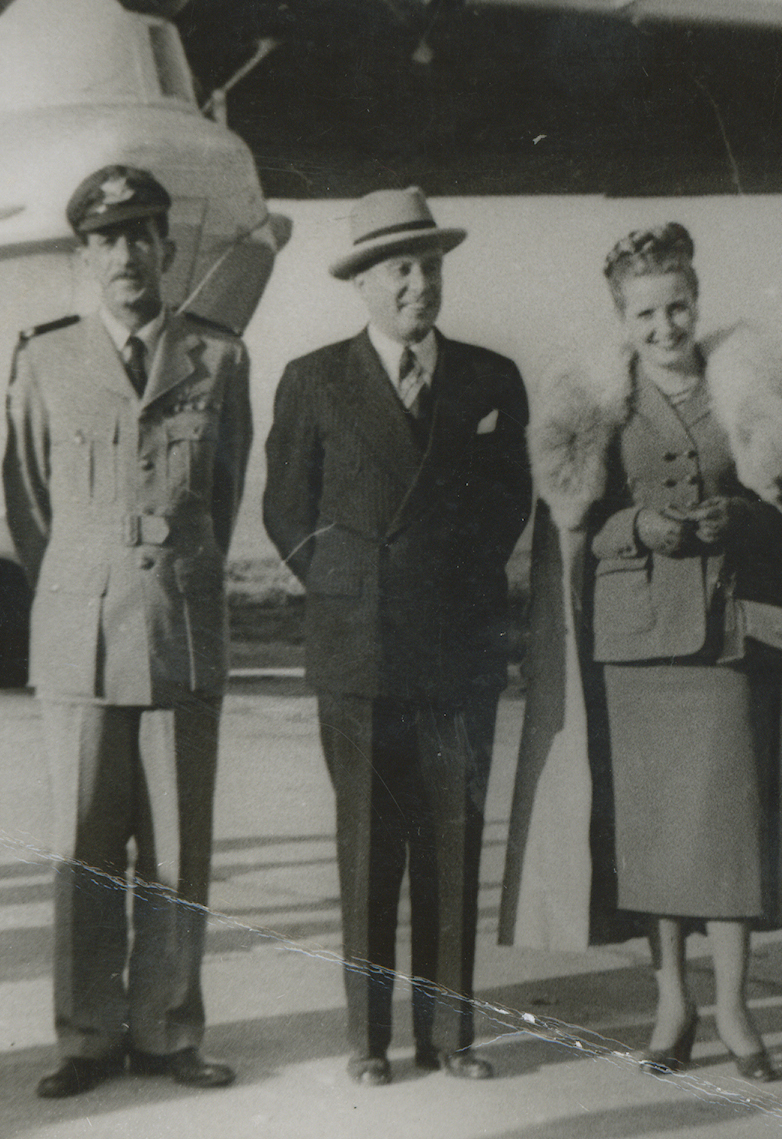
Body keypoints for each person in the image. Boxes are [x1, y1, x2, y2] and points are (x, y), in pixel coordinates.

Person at [499, 223, 782, 1083]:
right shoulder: (599, 404)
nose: (665, 327)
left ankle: (738, 1009)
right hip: (635, 651)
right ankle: (673, 1001)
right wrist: (642, 523)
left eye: (677, 307)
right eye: (645, 314)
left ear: (696, 302)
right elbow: (579, 527)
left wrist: (739, 520)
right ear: (621, 319)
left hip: (727, 642)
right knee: (653, 843)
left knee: (728, 837)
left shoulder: (747, 389)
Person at [262, 187, 531, 1086]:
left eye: (431, 265)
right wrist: (353, 588)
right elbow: (285, 508)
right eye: (401, 269)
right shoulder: (314, 379)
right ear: (365, 283)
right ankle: (368, 1042)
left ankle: (451, 1037)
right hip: (359, 650)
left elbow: (508, 504)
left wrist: (448, 585)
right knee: (369, 847)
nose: (420, 285)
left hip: (458, 646)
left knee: (452, 846)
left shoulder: (492, 379)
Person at [4, 165, 251, 1099]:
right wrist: (87, 578)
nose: (124, 256)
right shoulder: (45, 360)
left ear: (164, 248)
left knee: (180, 847)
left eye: (140, 235)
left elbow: (219, 501)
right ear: (86, 254)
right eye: (105, 240)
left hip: (179, 628)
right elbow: (29, 508)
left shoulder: (219, 358)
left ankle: (168, 1029)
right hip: (80, 635)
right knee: (84, 848)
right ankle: (84, 1037)